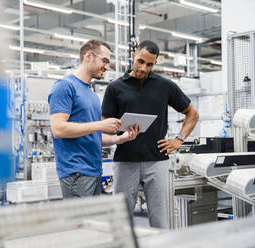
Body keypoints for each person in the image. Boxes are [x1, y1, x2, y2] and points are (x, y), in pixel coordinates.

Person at [101, 40, 199, 228]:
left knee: (160, 219)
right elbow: (105, 124)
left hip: (157, 161)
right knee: (121, 220)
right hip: (125, 160)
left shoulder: (165, 86)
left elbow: (192, 114)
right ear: (133, 57)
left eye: (149, 64)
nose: (144, 68)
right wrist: (119, 129)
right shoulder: (115, 88)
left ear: (155, 63)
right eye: (140, 62)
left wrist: (179, 139)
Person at [48, 39, 141, 198]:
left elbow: (93, 136)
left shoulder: (91, 94)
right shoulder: (65, 86)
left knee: (92, 222)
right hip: (76, 172)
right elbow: (58, 129)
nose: (106, 67)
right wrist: (100, 125)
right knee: (80, 222)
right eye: (104, 61)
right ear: (88, 56)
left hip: (94, 170)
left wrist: (121, 138)